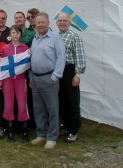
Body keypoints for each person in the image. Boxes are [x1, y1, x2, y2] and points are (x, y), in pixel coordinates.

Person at [30, 12, 65, 149]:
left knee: (52, 109)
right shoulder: (35, 38)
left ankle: (52, 137)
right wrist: (31, 77)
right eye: (38, 23)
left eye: (43, 22)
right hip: (36, 78)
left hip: (49, 78)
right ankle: (41, 134)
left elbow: (61, 57)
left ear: (48, 23)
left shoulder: (55, 37)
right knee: (39, 109)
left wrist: (55, 76)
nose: (40, 25)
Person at [0, 25, 30, 143]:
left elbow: (28, 65)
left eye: (17, 32)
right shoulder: (6, 49)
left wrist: (29, 54)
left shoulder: (25, 48)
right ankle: (10, 131)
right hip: (8, 81)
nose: (15, 35)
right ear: (9, 35)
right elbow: (2, 66)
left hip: (21, 80)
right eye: (13, 32)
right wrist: (0, 80)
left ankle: (25, 131)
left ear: (20, 34)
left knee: (22, 105)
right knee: (9, 105)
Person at [56, 12, 86, 143]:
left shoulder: (74, 37)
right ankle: (66, 125)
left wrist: (77, 74)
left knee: (73, 101)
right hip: (58, 71)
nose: (62, 22)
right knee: (62, 100)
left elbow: (80, 57)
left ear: (69, 23)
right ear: (57, 23)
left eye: (65, 20)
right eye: (60, 20)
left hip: (70, 70)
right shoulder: (55, 37)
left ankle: (74, 129)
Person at [20, 8, 40, 130]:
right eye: (29, 17)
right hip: (31, 68)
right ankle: (33, 122)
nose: (31, 19)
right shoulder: (27, 31)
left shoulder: (47, 30)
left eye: (33, 16)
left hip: (45, 66)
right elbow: (23, 42)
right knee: (33, 96)